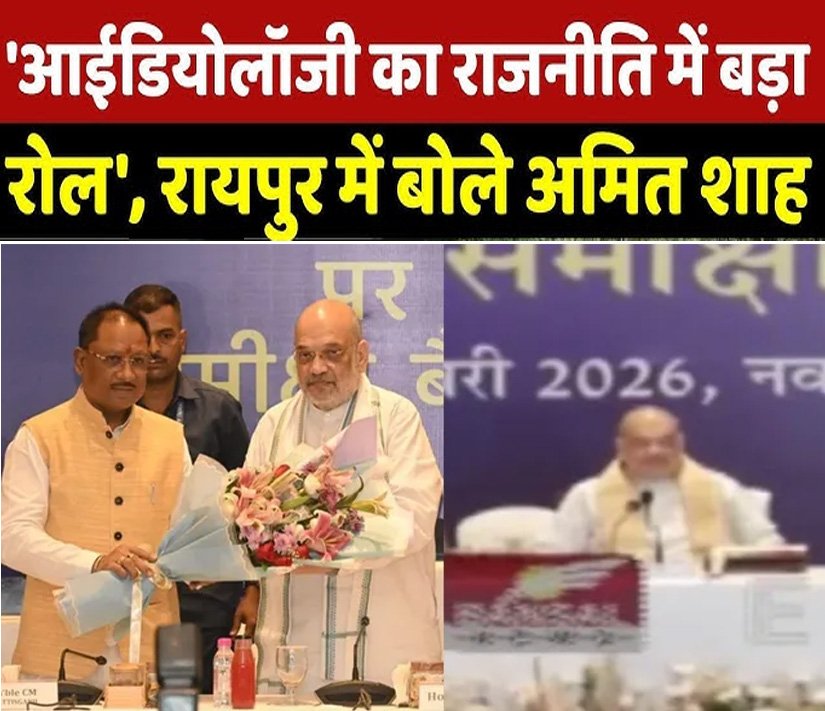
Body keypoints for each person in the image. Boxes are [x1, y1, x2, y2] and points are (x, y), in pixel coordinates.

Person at [245, 299, 443, 694]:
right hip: (294, 649)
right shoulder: (274, 425)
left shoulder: (395, 418)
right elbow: (248, 523)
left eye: (332, 353)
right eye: (305, 356)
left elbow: (414, 520)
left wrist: (324, 550)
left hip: (385, 644)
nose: (317, 368)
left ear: (362, 355)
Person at [1, 303, 190, 680]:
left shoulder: (171, 438)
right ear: (80, 360)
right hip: (58, 657)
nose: (128, 373)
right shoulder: (39, 436)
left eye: (139, 361)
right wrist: (93, 563)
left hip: (150, 654)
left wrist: (205, 560)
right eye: (113, 359)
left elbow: (188, 530)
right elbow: (12, 538)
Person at [123, 284, 255, 693]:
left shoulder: (218, 410)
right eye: (145, 337)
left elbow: (251, 511)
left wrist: (253, 591)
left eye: (165, 336)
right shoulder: (110, 411)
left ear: (183, 340)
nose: (154, 349)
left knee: (191, 703)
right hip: (130, 599)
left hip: (206, 603)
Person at [553, 405, 784, 565]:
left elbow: (767, 544)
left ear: (681, 444)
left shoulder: (720, 487)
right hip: (620, 604)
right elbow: (556, 558)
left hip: (709, 599)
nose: (655, 451)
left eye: (666, 442)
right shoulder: (587, 495)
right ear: (620, 447)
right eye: (642, 444)